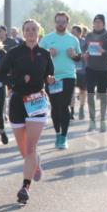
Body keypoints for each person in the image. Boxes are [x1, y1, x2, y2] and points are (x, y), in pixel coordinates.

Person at [0, 19, 55, 204]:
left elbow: (49, 75)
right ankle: (34, 163)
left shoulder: (44, 54)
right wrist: (17, 79)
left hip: (37, 102)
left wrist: (50, 80)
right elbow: (0, 75)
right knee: (24, 152)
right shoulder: (14, 53)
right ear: (23, 33)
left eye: (33, 29)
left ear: (39, 32)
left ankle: (25, 187)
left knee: (30, 148)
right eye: (27, 30)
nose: (30, 32)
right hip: (17, 103)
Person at [40, 12, 82, 149]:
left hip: (68, 76)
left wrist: (73, 55)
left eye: (63, 22)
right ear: (55, 22)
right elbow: (38, 57)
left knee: (64, 106)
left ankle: (64, 137)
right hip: (51, 77)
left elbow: (78, 58)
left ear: (67, 23)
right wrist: (48, 54)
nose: (60, 24)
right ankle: (57, 133)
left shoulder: (73, 39)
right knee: (55, 107)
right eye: (58, 21)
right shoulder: (47, 39)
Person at [83, 14, 107, 132]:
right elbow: (83, 49)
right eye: (95, 22)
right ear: (93, 23)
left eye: (99, 22)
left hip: (103, 69)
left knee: (102, 95)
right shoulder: (89, 35)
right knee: (90, 94)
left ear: (103, 24)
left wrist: (104, 51)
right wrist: (85, 54)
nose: (97, 24)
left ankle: (102, 120)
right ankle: (92, 120)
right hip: (90, 68)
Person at [72, 24, 89, 119]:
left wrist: (81, 55)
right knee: (71, 92)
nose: (72, 34)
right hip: (71, 71)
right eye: (71, 32)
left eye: (74, 32)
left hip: (82, 70)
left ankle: (81, 108)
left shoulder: (85, 42)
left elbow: (88, 54)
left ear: (79, 33)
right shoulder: (68, 42)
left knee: (83, 91)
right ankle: (72, 111)